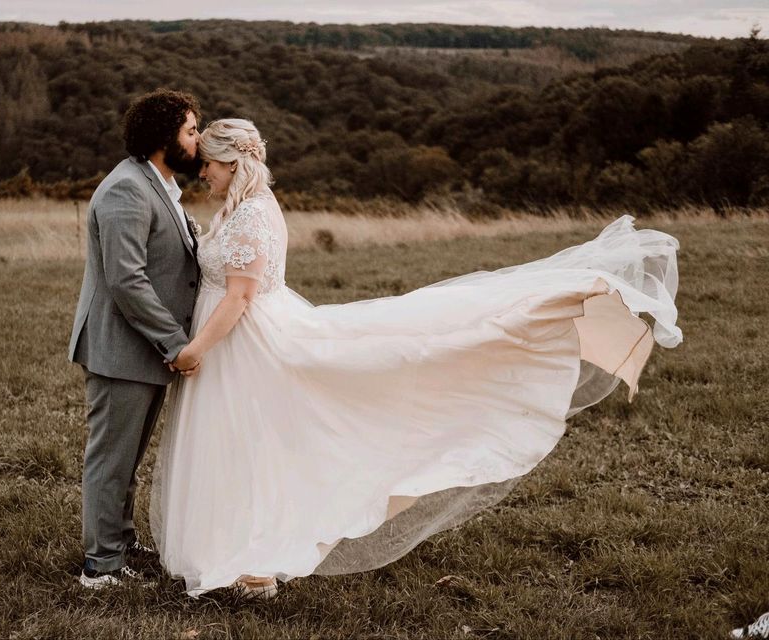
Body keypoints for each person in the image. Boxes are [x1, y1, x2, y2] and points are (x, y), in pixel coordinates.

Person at [149, 118, 682, 599]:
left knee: (257, 442)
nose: (205, 175)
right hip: (239, 340)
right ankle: (234, 544)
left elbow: (241, 295)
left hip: (245, 342)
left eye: (212, 166)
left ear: (234, 162)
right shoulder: (243, 209)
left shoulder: (250, 217)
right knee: (243, 442)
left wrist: (195, 349)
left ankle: (256, 559)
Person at [68, 89, 204, 589]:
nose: (198, 139)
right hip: (123, 348)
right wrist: (176, 342)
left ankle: (120, 544)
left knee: (127, 459)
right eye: (191, 130)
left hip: (142, 351)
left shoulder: (160, 184)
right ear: (164, 136)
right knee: (110, 460)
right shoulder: (126, 188)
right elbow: (127, 279)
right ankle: (100, 568)